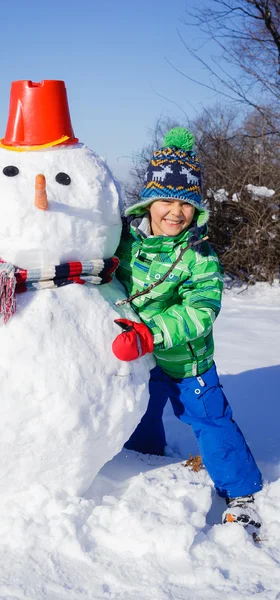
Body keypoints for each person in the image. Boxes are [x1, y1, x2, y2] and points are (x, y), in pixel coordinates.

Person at [112, 127, 263, 528]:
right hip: (142, 359)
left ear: (197, 209)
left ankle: (240, 490)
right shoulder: (126, 242)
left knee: (210, 420)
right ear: (148, 202)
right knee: (142, 410)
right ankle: (142, 456)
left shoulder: (200, 257)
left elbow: (201, 310)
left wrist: (150, 333)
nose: (175, 212)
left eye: (186, 203)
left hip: (185, 359)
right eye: (166, 199)